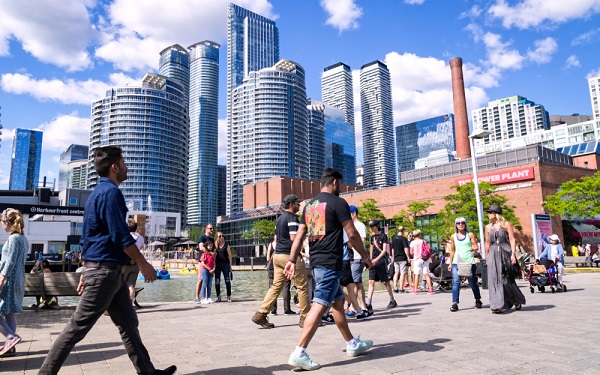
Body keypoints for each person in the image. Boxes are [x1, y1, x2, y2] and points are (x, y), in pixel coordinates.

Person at [38, 146, 176, 374]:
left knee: (129, 323)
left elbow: (89, 237)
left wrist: (85, 268)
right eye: (123, 163)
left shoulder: (97, 194)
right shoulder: (110, 193)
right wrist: (143, 263)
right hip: (104, 273)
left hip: (111, 274)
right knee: (76, 328)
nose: (126, 167)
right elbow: (120, 235)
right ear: (114, 167)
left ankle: (148, 372)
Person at [283, 168, 374, 370]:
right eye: (339, 185)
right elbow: (351, 234)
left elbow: (299, 237)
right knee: (320, 304)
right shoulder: (338, 203)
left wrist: (291, 259)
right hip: (331, 263)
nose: (339, 188)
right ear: (334, 182)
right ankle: (299, 351)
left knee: (338, 303)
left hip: (316, 262)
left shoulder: (309, 206)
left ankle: (352, 344)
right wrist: (366, 257)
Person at [252, 194, 310, 328]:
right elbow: (294, 238)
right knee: (302, 287)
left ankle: (261, 313)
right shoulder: (293, 218)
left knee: (276, 286)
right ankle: (305, 317)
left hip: (277, 256)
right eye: (297, 203)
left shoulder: (279, 219)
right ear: (291, 204)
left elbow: (277, 239)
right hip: (289, 256)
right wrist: (302, 249)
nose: (299, 205)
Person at [484, 204, 526, 314]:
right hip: (493, 253)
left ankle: (515, 299)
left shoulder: (506, 224)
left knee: (506, 279)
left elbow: (512, 240)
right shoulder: (488, 227)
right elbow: (487, 243)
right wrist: (487, 257)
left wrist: (513, 254)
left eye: (490, 212)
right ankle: (496, 305)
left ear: (495, 214)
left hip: (505, 251)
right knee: (494, 279)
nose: (488, 214)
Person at [0, 208, 28, 358]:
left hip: (9, 280)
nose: (1, 225)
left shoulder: (13, 239)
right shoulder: (23, 239)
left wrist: (2, 277)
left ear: (7, 222)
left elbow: (10, 261)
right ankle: (10, 347)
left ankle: (11, 338)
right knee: (10, 313)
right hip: (18, 279)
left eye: (1, 222)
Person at [447, 217, 483, 312]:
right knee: (456, 282)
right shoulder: (453, 236)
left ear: (465, 224)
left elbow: (476, 246)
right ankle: (455, 303)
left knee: (472, 283)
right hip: (457, 262)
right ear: (456, 225)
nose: (460, 224)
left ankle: (478, 299)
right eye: (458, 223)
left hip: (469, 262)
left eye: (462, 222)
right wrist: (450, 263)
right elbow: (452, 251)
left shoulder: (470, 235)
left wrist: (473, 248)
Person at [366, 219, 397, 314]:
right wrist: (370, 260)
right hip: (373, 262)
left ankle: (392, 299)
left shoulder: (383, 236)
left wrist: (376, 259)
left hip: (381, 261)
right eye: (370, 226)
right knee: (371, 282)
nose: (371, 228)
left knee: (385, 282)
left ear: (377, 226)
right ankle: (369, 303)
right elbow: (371, 248)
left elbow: (384, 250)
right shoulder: (372, 237)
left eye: (372, 226)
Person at [347, 205, 368, 318]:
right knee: (357, 282)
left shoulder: (359, 225)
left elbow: (362, 240)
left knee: (355, 282)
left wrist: (350, 244)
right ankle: (362, 306)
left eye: (349, 213)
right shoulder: (351, 226)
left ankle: (354, 307)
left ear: (354, 213)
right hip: (352, 257)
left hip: (357, 257)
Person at [123, 221, 143, 305]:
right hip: (135, 263)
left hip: (125, 263)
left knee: (119, 285)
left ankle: (117, 305)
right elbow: (140, 248)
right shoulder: (140, 238)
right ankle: (129, 306)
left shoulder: (125, 236)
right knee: (131, 286)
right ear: (135, 228)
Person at [195, 224, 215, 303]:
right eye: (210, 228)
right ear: (206, 229)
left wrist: (214, 254)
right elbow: (201, 248)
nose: (212, 230)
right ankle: (197, 297)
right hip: (203, 262)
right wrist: (210, 253)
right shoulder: (202, 237)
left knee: (208, 281)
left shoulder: (212, 240)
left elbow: (214, 250)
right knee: (200, 279)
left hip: (210, 263)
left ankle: (207, 297)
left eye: (213, 228)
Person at [409, 230, 434, 295]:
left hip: (417, 260)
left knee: (417, 275)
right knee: (426, 274)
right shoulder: (423, 241)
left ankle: (415, 290)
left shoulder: (412, 243)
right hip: (424, 259)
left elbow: (411, 252)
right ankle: (430, 289)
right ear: (419, 235)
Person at [214, 231, 233, 302]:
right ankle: (218, 297)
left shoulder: (226, 245)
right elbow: (214, 257)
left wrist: (230, 266)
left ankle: (229, 296)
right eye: (220, 236)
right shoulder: (215, 246)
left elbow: (230, 256)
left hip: (225, 265)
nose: (222, 237)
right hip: (218, 265)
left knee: (227, 281)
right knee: (217, 281)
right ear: (217, 237)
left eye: (222, 236)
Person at [391, 226, 410, 293]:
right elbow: (406, 248)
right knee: (402, 273)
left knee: (396, 272)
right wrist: (408, 257)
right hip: (402, 258)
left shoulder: (393, 239)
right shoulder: (403, 239)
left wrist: (393, 257)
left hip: (396, 258)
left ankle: (395, 287)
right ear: (403, 231)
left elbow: (392, 249)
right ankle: (401, 288)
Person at [266, 236, 278, 314]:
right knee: (282, 287)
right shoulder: (281, 245)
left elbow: (268, 258)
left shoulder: (270, 244)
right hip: (279, 267)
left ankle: (273, 309)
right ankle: (286, 308)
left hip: (272, 267)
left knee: (272, 288)